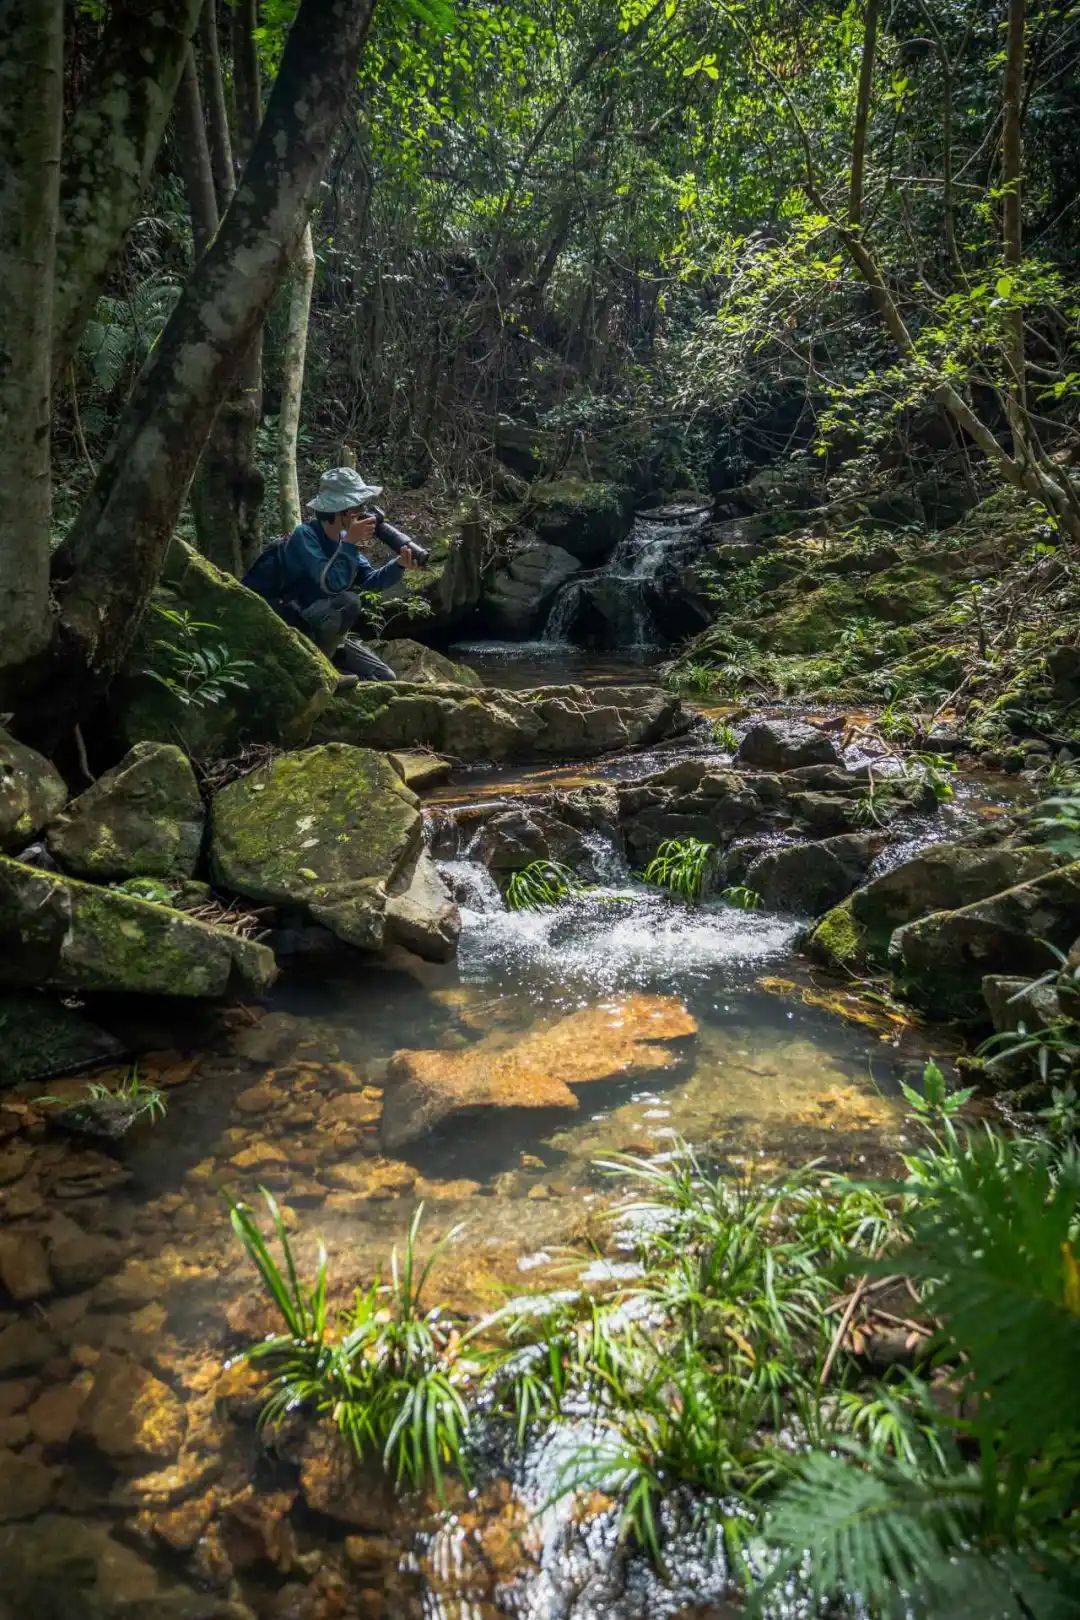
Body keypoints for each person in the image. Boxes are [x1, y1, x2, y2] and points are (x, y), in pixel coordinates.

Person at [281, 466, 419, 682]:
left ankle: (332, 667)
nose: (362, 512)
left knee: (385, 677)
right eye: (357, 507)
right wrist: (350, 543)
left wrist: (400, 564)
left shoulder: (343, 540)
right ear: (340, 510)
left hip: (330, 637)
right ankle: (318, 673)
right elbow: (330, 584)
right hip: (297, 628)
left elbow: (371, 581)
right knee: (348, 602)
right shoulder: (305, 535)